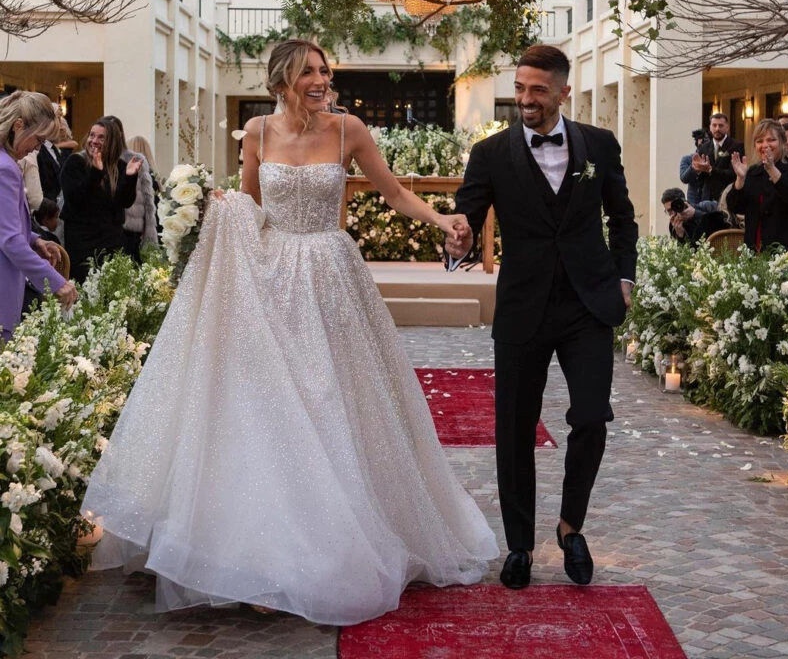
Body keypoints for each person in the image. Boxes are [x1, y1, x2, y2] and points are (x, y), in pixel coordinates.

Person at [82, 38, 497, 624]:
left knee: (335, 401)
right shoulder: (256, 132)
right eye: (311, 71)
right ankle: (264, 557)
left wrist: (443, 218)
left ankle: (336, 545)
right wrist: (216, 206)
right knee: (271, 410)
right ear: (284, 79)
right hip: (270, 277)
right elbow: (251, 205)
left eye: (326, 70)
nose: (323, 79)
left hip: (330, 279)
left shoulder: (348, 129)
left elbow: (395, 191)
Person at [446, 44, 638, 590]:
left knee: (592, 417)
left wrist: (625, 281)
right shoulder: (490, 154)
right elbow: (467, 217)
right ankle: (519, 546)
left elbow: (623, 219)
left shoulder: (599, 145)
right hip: (524, 305)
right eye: (520, 88)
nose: (525, 99)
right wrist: (458, 239)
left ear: (561, 92)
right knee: (514, 429)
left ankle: (571, 527)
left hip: (587, 303)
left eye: (536, 90)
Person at [0, 92, 78, 338]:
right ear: (18, 125)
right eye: (38, 138)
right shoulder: (5, 168)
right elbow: (10, 240)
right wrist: (57, 282)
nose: (37, 147)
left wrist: (35, 239)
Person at [60, 118, 142, 283]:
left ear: (111, 141)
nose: (94, 141)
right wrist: (95, 174)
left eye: (101, 137)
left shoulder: (119, 166)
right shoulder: (76, 163)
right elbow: (75, 200)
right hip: (82, 242)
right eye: (92, 135)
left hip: (111, 240)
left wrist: (130, 177)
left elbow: (124, 202)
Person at [726, 118, 788, 256]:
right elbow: (735, 207)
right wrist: (740, 179)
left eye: (771, 140)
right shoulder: (753, 172)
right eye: (760, 141)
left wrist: (772, 169)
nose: (765, 145)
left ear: (782, 142)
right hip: (756, 250)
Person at [103, 117, 158, 263]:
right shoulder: (95, 159)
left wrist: (149, 232)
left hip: (132, 229)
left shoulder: (135, 159)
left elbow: (147, 198)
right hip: (107, 228)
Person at [689, 113, 744, 202]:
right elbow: (699, 179)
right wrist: (698, 170)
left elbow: (733, 174)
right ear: (710, 127)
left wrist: (710, 169)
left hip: (728, 196)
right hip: (706, 199)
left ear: (727, 127)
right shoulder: (703, 147)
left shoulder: (736, 146)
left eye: (721, 125)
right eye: (714, 125)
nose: (717, 129)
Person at [661, 187, 726, 246]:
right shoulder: (673, 225)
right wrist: (680, 235)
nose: (674, 212)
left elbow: (722, 221)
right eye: (669, 211)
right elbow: (683, 252)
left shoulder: (703, 207)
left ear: (684, 202)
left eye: (676, 207)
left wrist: (695, 214)